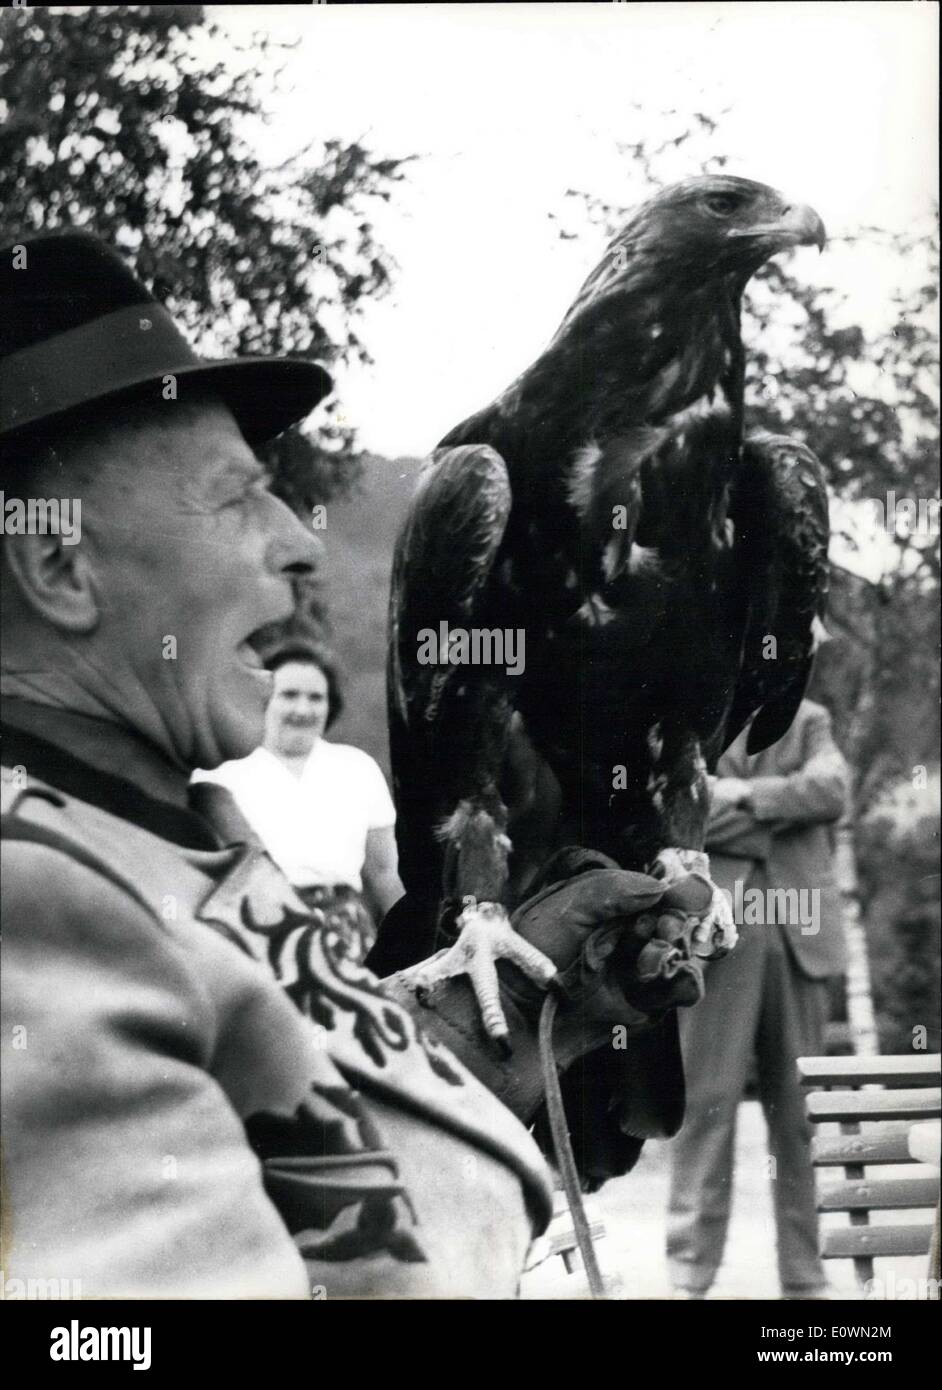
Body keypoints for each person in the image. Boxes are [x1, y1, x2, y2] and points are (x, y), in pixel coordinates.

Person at [1, 231, 712, 1299]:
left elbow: (307, 1138)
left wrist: (531, 1017)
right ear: (61, 565)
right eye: (235, 496)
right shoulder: (37, 910)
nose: (299, 539)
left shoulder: (154, 834)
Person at [666, 697, 850, 1299]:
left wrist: (741, 796)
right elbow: (682, 820)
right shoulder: (701, 719)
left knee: (801, 1115)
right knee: (705, 1105)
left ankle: (806, 1275)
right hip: (718, 936)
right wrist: (783, 809)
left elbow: (832, 793)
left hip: (801, 937)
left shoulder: (810, 718)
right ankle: (689, 1273)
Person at [194, 645, 403, 962]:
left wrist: (412, 943)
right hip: (255, 934)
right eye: (289, 695)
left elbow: (386, 872)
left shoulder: (357, 767)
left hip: (348, 938)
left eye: (316, 697)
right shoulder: (222, 771)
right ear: (264, 698)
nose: (303, 709)